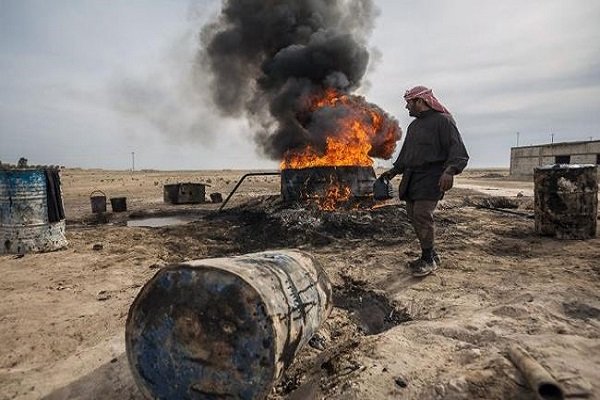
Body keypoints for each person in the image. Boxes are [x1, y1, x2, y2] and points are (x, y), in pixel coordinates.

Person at [380, 86, 469, 277]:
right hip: (412, 178)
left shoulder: (443, 121)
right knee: (412, 214)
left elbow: (457, 149)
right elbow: (406, 155)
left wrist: (450, 171)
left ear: (420, 101)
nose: (406, 107)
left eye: (409, 103)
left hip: (432, 177)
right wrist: (393, 171)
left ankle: (428, 259)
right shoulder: (414, 127)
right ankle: (431, 254)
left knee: (422, 214)